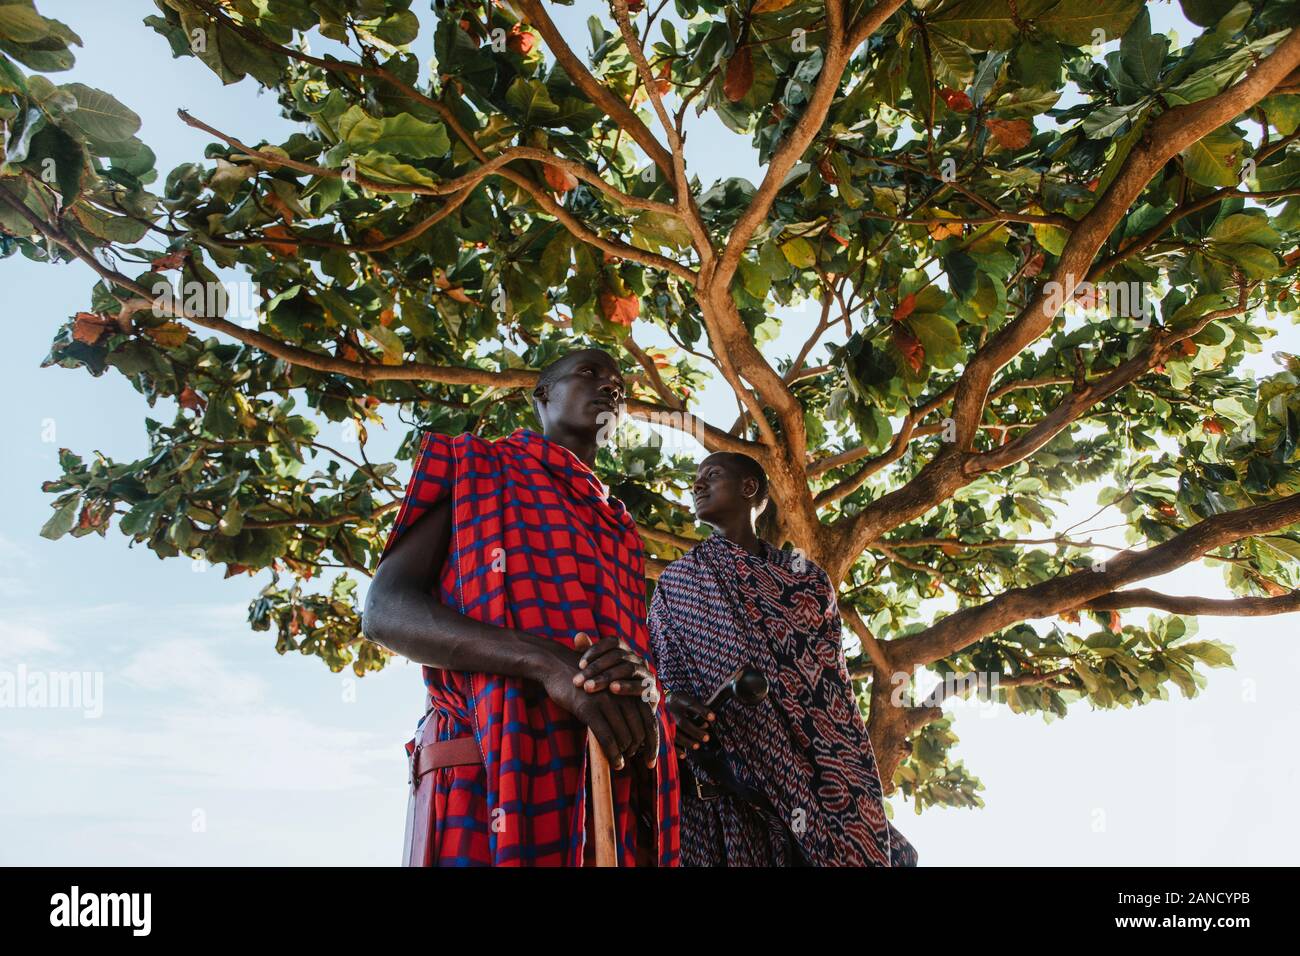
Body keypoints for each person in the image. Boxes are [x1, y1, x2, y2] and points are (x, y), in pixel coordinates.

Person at [364, 347, 679, 866]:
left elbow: (629, 657)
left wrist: (645, 685)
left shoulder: (621, 531)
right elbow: (384, 611)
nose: (609, 388)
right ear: (542, 395)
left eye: (619, 387)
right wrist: (545, 661)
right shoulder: (476, 470)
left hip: (603, 794)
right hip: (486, 771)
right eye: (589, 373)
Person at [648, 451, 919, 867]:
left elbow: (832, 686)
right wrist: (671, 709)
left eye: (711, 475)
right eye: (696, 479)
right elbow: (664, 678)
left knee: (893, 854)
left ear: (749, 488)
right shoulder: (679, 581)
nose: (697, 485)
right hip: (724, 778)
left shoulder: (807, 579)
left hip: (820, 767)